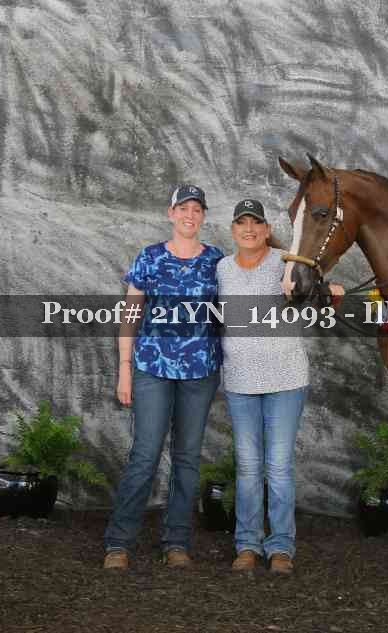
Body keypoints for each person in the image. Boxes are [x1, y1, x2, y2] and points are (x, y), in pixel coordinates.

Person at [217, 199, 344, 574]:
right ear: (233, 230)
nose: (249, 229)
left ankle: (280, 547)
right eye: (242, 223)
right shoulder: (222, 268)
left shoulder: (287, 263)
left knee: (278, 467)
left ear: (267, 230)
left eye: (256, 222)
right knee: (247, 467)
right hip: (240, 380)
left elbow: (320, 300)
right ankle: (247, 544)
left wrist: (329, 294)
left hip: (285, 379)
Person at [104, 184, 223, 570]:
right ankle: (119, 543)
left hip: (200, 373)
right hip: (151, 370)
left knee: (187, 458)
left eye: (196, 209)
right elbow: (130, 316)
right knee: (145, 454)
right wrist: (124, 369)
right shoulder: (150, 258)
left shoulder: (217, 261)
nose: (189, 215)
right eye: (182, 208)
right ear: (171, 213)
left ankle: (177, 542)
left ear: (203, 216)